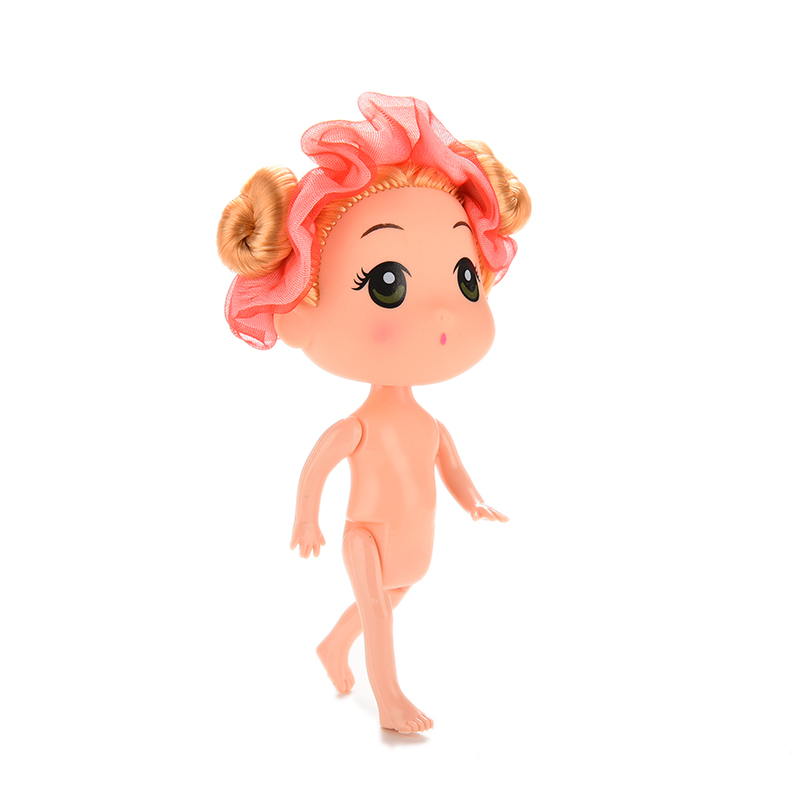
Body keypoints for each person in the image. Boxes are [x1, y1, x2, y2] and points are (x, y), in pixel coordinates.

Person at [217, 93, 530, 733]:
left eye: (465, 276)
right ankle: (389, 699)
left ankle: (333, 647)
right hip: (367, 536)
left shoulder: (429, 426)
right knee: (380, 610)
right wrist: (306, 519)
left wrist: (475, 502)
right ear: (300, 311)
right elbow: (317, 468)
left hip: (413, 546)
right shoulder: (356, 428)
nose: (442, 311)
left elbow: (452, 468)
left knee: (389, 598)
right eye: (388, 282)